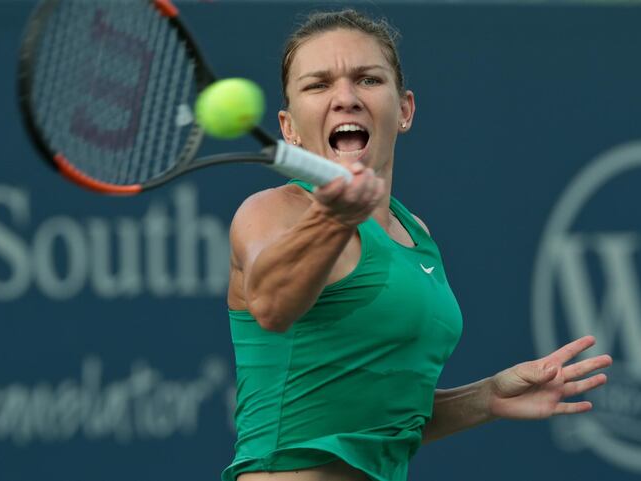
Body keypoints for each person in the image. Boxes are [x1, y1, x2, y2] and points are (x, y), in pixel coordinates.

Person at [223, 9, 612, 481]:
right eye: (318, 85)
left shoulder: (414, 233)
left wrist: (487, 397)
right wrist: (332, 219)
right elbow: (272, 305)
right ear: (289, 128)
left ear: (404, 109)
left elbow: (378, 420)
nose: (345, 98)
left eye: (367, 79)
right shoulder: (273, 211)